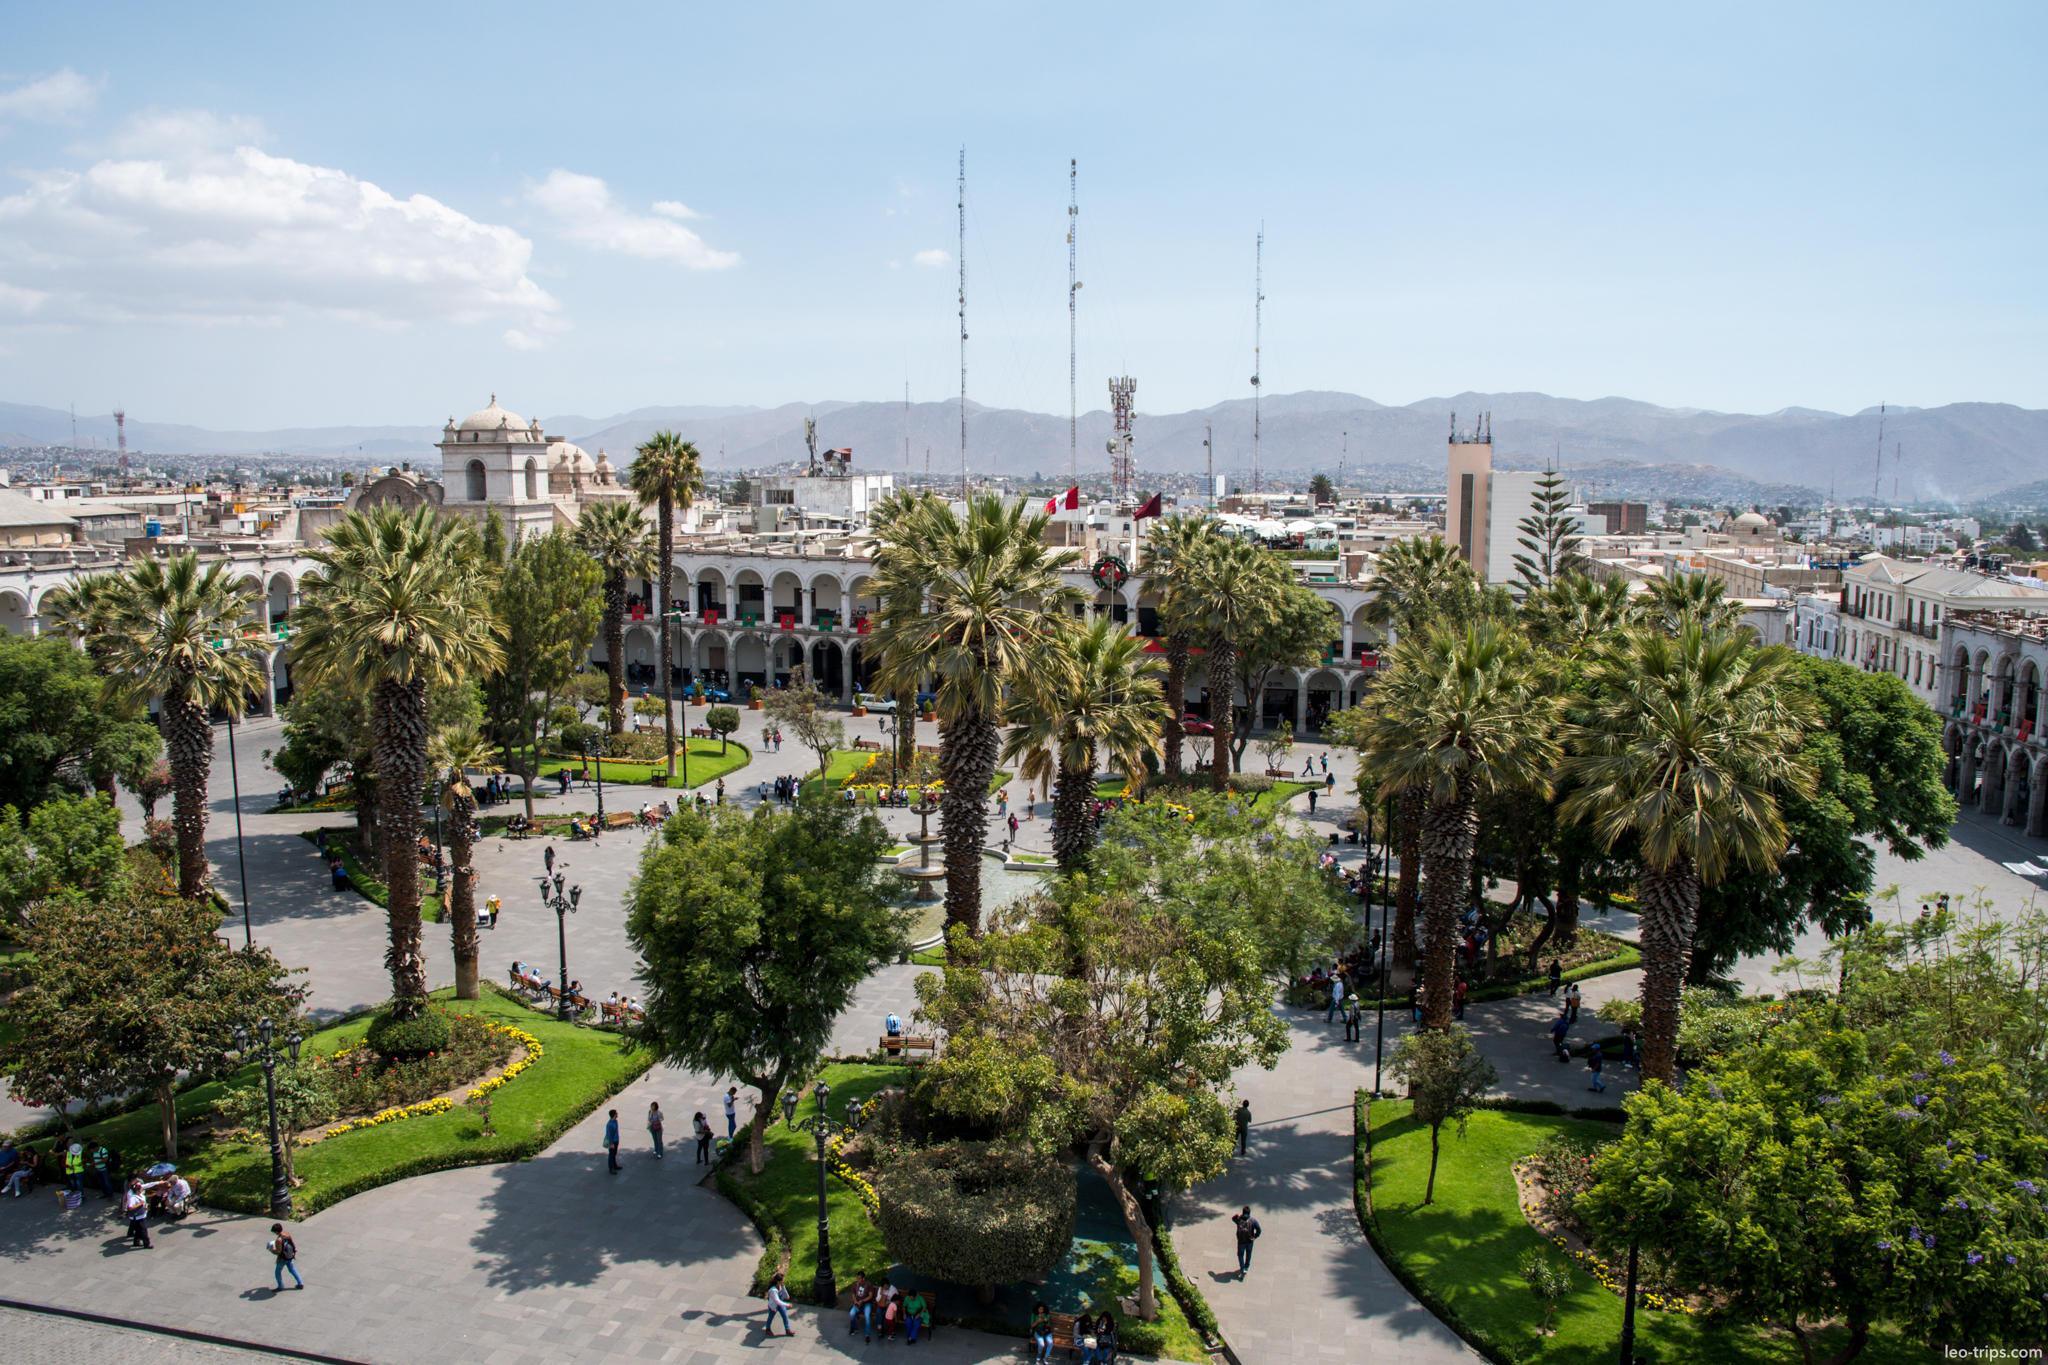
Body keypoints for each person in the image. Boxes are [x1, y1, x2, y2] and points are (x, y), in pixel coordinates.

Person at [1232, 1206, 1260, 1276]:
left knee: (1240, 1254)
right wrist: (1254, 1236)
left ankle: (1242, 1268)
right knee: (1249, 1253)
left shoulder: (1240, 1220)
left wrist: (1237, 1215)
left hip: (1241, 1241)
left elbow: (1233, 1218)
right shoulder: (1253, 1221)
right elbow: (1259, 1230)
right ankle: (1246, 1266)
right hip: (1250, 1241)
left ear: (1243, 1212)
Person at [123, 1177, 151, 1248]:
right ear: (137, 1190)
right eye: (141, 1189)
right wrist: (140, 1204)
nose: (142, 1190)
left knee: (138, 1230)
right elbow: (130, 1208)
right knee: (143, 1231)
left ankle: (136, 1242)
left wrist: (145, 1204)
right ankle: (147, 1244)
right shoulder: (133, 1198)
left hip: (141, 1215)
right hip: (136, 1217)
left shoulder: (140, 1195)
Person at [763, 1272, 793, 1337]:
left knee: (785, 1316)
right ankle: (768, 1328)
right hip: (774, 1306)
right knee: (770, 1317)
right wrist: (787, 1305)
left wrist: (787, 1297)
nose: (783, 1281)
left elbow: (784, 1294)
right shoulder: (773, 1290)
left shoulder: (782, 1286)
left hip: (780, 1304)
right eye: (782, 1280)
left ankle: (787, 1329)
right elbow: (777, 1301)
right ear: (778, 1282)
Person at [851, 1272, 878, 1341]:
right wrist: (855, 1301)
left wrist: (862, 1301)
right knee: (851, 1314)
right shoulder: (855, 1285)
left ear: (863, 1279)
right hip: (858, 1303)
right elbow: (853, 1295)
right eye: (857, 1278)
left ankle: (867, 1334)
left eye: (859, 1279)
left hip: (866, 1303)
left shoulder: (868, 1284)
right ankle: (855, 1327)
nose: (857, 1280)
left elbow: (870, 1296)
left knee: (867, 1316)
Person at [604, 1109, 621, 1173]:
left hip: (616, 1140)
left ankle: (615, 1165)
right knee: (611, 1154)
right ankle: (611, 1167)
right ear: (614, 1115)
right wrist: (611, 1143)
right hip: (612, 1142)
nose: (617, 1114)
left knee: (614, 1153)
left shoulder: (616, 1121)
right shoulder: (610, 1124)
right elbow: (609, 1135)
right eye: (616, 1113)